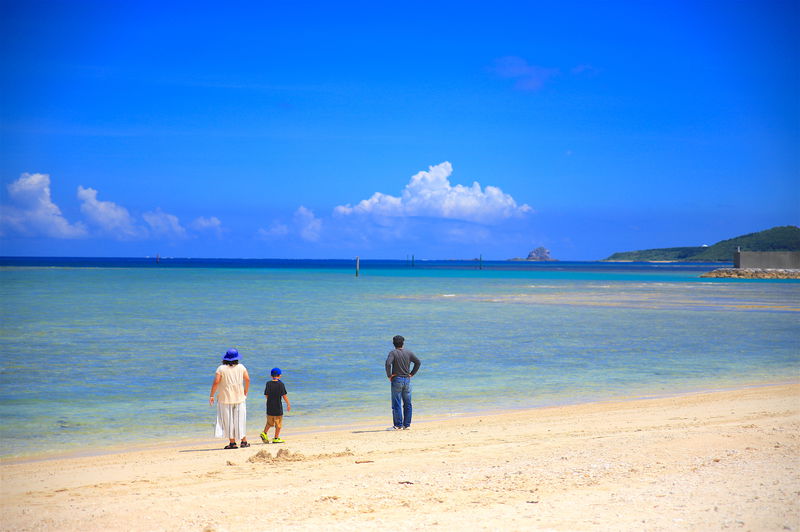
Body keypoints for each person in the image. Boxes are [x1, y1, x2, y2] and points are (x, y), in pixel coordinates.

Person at [209, 348, 250, 449]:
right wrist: (245, 391)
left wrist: (211, 395)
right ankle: (244, 441)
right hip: (240, 398)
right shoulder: (241, 367)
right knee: (240, 420)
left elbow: (216, 382)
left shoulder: (221, 369)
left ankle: (232, 443)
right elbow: (247, 379)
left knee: (228, 421)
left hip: (225, 398)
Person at [385, 335, 421, 430]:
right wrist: (412, 373)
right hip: (407, 380)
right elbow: (418, 362)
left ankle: (398, 425)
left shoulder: (393, 353)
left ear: (394, 344)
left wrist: (389, 375)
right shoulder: (408, 353)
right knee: (407, 403)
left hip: (397, 379)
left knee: (396, 403)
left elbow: (388, 363)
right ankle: (407, 425)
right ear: (403, 343)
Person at [260, 367, 291, 444]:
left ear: (271, 376)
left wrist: (270, 400)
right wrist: (288, 404)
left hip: (269, 407)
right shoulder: (281, 384)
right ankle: (276, 438)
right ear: (280, 375)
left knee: (269, 423)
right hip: (278, 407)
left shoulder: (268, 383)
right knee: (278, 424)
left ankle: (264, 433)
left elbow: (266, 395)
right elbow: (284, 396)